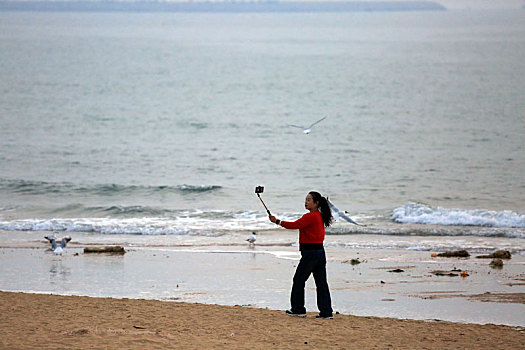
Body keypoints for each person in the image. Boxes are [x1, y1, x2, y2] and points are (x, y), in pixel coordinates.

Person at [269, 191, 334, 319]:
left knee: (298, 280)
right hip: (320, 253)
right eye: (306, 199)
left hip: (310, 254)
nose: (306, 202)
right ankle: (326, 312)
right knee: (321, 283)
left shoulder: (311, 216)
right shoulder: (318, 216)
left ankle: (298, 309)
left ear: (316, 203)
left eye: (309, 200)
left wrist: (277, 221)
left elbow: (294, 225)